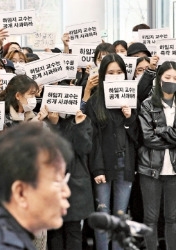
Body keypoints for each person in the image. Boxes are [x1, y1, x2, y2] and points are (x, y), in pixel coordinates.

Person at [85, 53, 139, 250]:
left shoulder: (132, 99)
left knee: (120, 216)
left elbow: (137, 137)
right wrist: (97, 169)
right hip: (103, 166)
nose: (115, 76)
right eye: (110, 72)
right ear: (102, 74)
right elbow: (93, 140)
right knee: (103, 216)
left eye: (119, 72)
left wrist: (129, 118)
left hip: (125, 164)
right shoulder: (94, 102)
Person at [138, 61, 176, 250]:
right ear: (159, 78)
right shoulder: (147, 104)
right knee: (150, 218)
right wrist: (172, 136)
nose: (171, 81)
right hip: (150, 169)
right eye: (167, 77)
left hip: (174, 171)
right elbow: (147, 138)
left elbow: (155, 135)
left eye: (175, 78)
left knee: (173, 218)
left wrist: (161, 130)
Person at [47, 110, 94, 250]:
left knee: (73, 229)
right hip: (52, 182)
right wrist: (53, 125)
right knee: (55, 230)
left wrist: (79, 125)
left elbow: (85, 148)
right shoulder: (46, 120)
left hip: (75, 182)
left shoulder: (82, 120)